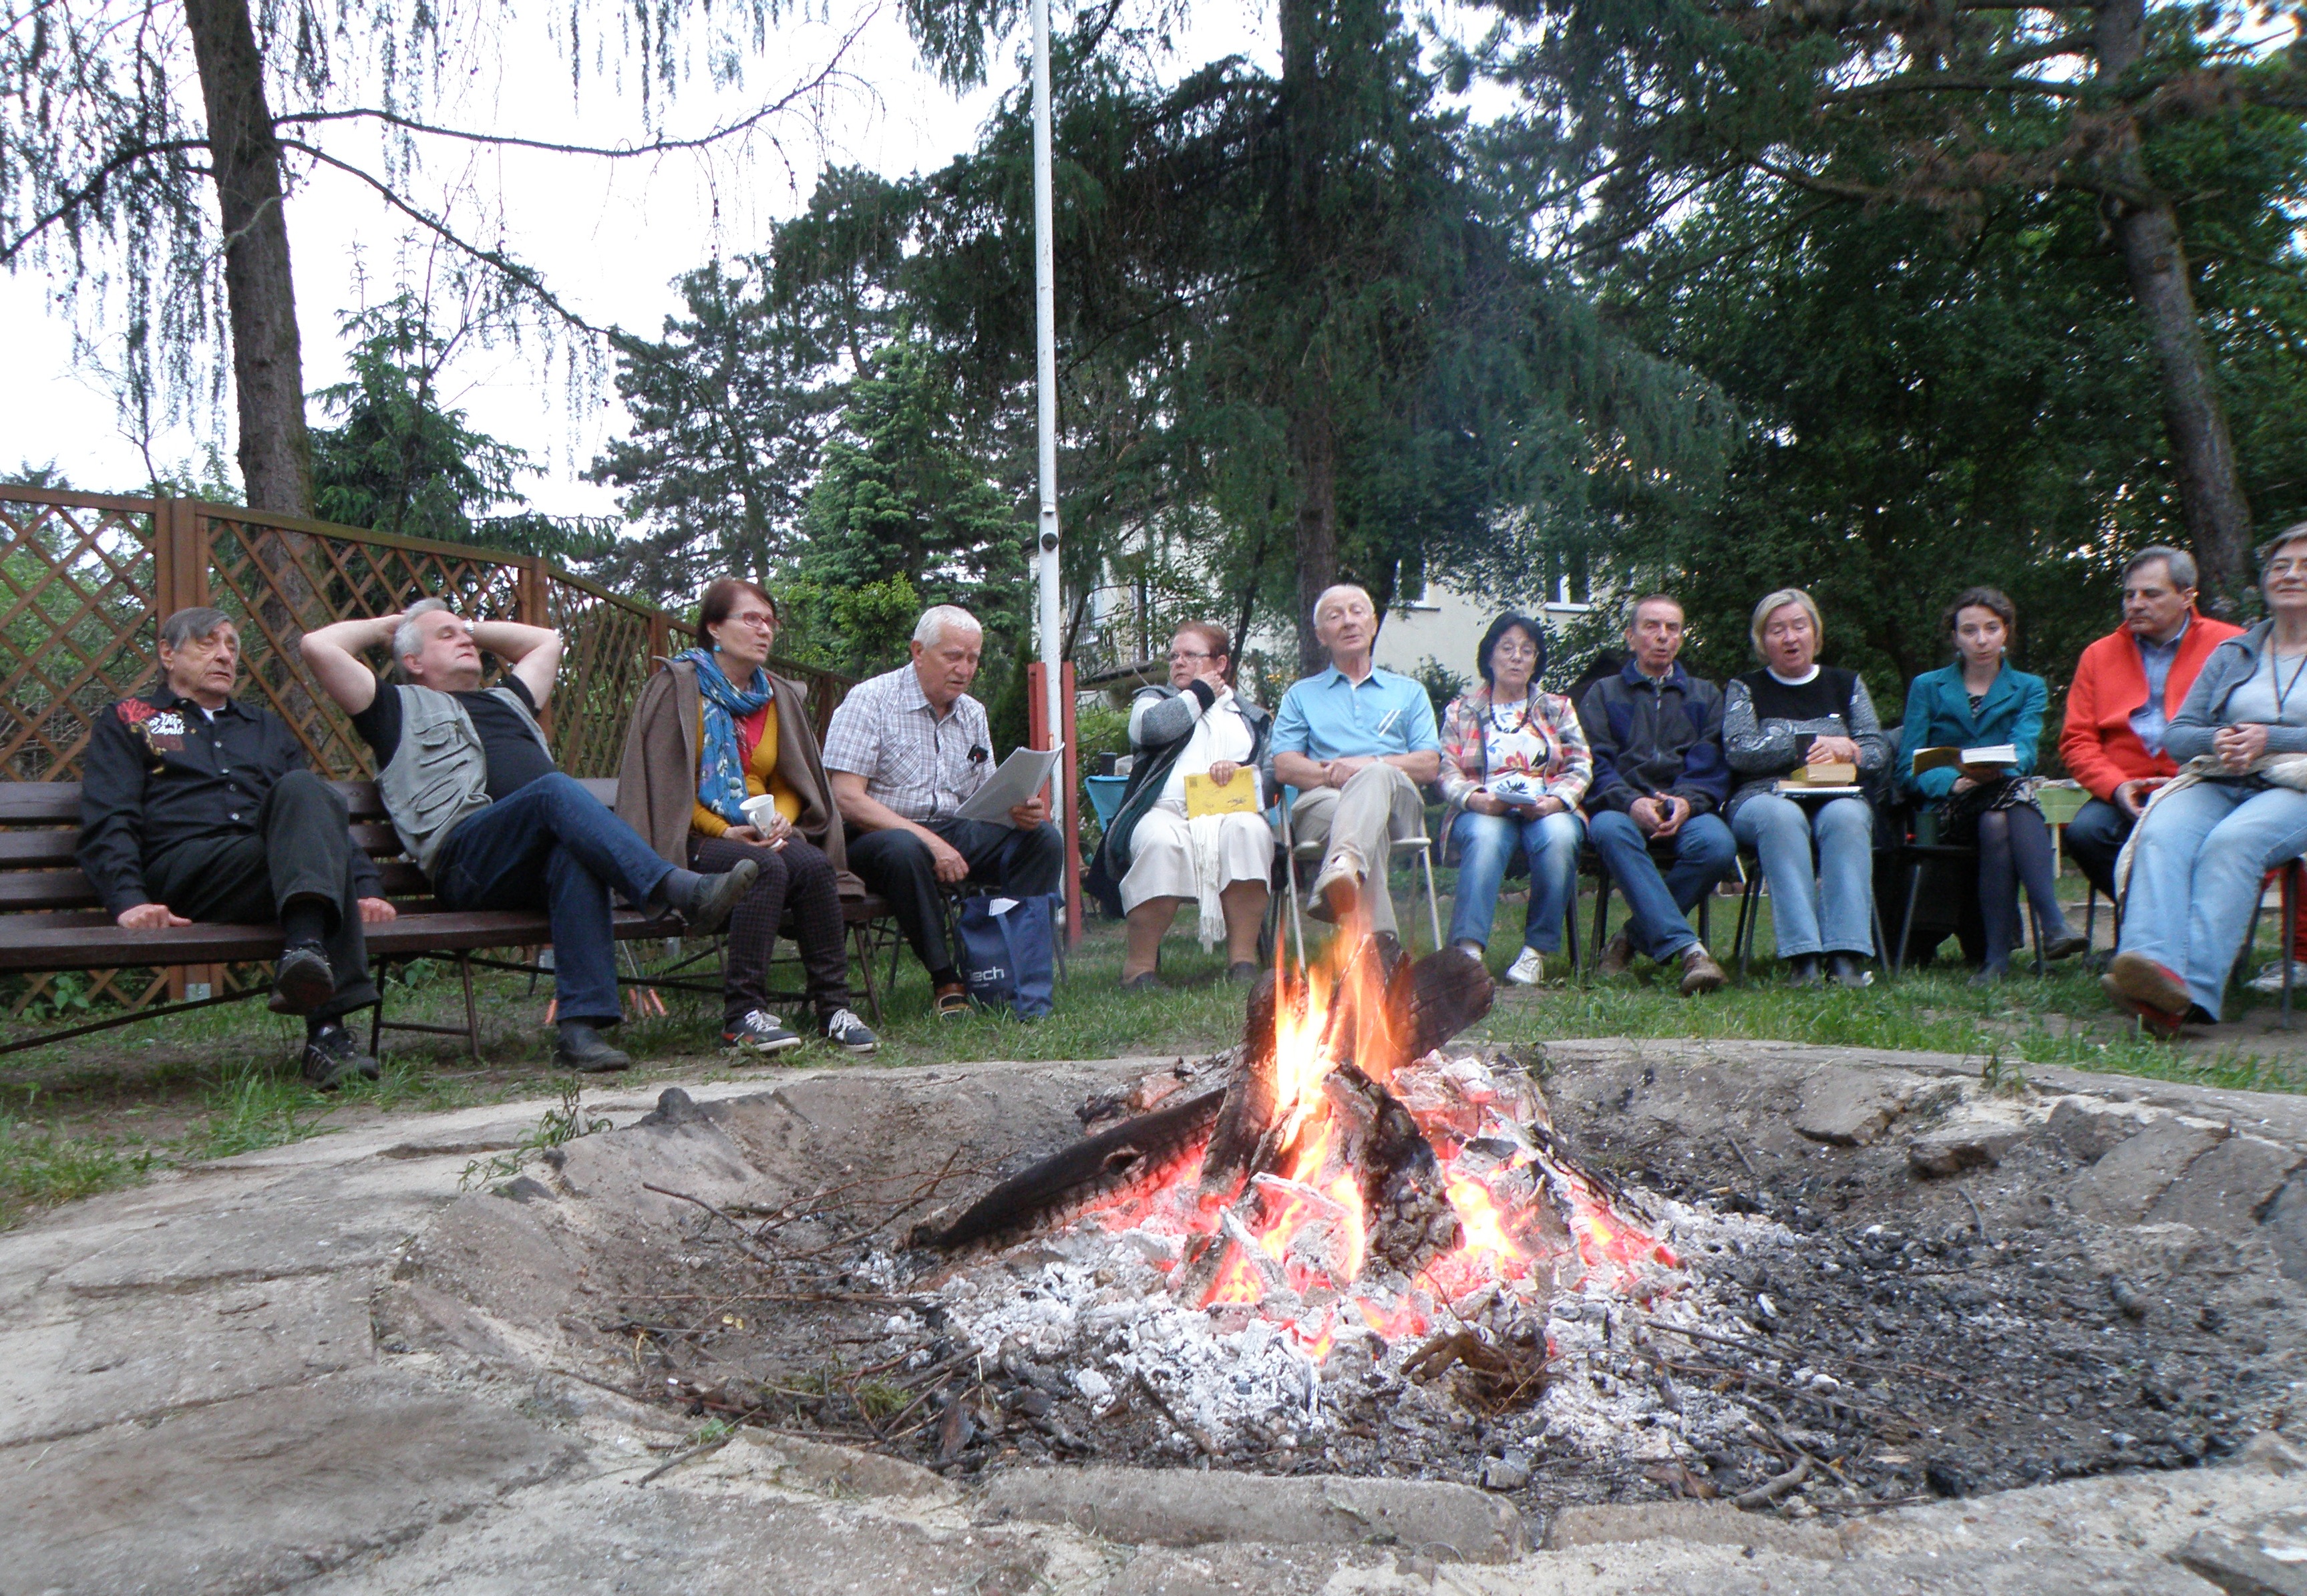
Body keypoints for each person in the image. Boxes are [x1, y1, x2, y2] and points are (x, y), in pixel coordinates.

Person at [301, 600, 760, 1072]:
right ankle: (675, 889)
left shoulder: (510, 700)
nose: (465, 640)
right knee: (552, 791)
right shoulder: (391, 707)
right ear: (413, 661)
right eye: (446, 636)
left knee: (574, 856)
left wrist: (464, 626)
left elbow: (547, 641)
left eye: (466, 634)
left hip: (530, 861)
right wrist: (390, 626)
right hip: (466, 862)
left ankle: (579, 1031)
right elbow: (317, 646)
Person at [79, 607, 394, 1090]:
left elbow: (317, 821)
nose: (225, 655)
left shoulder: (264, 727)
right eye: (208, 643)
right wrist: (128, 900)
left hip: (273, 869)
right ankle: (325, 1020)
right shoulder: (131, 719)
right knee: (313, 859)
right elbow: (110, 816)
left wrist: (367, 886)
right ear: (168, 653)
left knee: (304, 789)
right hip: (184, 871)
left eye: (232, 646)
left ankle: (309, 970)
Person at [616, 579, 880, 1057]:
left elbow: (792, 780)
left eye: (770, 622)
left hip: (759, 831)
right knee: (761, 868)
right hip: (689, 836)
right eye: (752, 619)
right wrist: (724, 829)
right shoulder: (676, 688)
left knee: (815, 867)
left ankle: (834, 1009)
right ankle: (743, 1016)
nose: (765, 631)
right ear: (715, 628)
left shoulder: (776, 695)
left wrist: (782, 819)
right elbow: (667, 789)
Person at [2105, 524, 2307, 1034]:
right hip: (2221, 777)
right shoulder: (2235, 652)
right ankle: (2150, 974)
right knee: (2160, 831)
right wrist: (2218, 739)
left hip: (2297, 785)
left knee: (2232, 843)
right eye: (2281, 565)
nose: (2291, 575)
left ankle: (2189, 993)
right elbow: (2179, 735)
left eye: (2305, 567)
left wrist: (2271, 738)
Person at [822, 606, 1062, 1018]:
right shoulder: (870, 700)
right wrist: (931, 842)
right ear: (918, 651)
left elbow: (985, 797)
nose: (964, 669)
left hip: (954, 829)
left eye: (973, 659)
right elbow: (846, 798)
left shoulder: (972, 713)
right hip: (874, 836)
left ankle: (1011, 962)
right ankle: (946, 980)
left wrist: (1017, 810)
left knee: (1041, 840)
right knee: (905, 849)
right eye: (953, 656)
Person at [2059, 546, 2254, 939]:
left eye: (2151, 594)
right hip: (2126, 786)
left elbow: (2249, 723)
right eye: (2129, 595)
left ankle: (2161, 940)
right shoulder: (2098, 655)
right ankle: (2162, 934)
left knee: (2209, 838)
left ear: (2187, 596)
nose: (2136, 604)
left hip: (2202, 782)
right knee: (2084, 833)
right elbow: (2077, 741)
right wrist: (2116, 787)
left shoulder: (2231, 645)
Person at [1896, 586, 2088, 982]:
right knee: (2012, 802)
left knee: (1997, 819)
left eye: (1991, 628)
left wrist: (1995, 771)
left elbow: (2026, 752)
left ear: (2006, 632)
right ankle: (2052, 923)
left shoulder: (2030, 687)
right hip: (1949, 808)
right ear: (1955, 637)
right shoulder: (1927, 686)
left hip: (2001, 793)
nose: (1981, 640)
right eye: (1969, 631)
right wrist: (1953, 781)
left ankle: (1995, 962)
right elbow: (1907, 767)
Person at [1086, 622, 1275, 990]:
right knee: (1161, 843)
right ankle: (1139, 970)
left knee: (1250, 832)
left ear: (1220, 663)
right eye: (1174, 655)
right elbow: (1151, 730)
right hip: (1163, 813)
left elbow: (1271, 774)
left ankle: (1243, 963)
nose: (1178, 662)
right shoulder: (1154, 699)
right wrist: (1200, 694)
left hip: (1231, 813)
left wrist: (1242, 772)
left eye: (1190, 655)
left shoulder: (1250, 717)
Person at [1722, 588, 1888, 988]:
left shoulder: (1846, 684)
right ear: (1762, 640)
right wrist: (1812, 741)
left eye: (1799, 626)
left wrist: (1850, 750)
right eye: (1777, 630)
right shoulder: (1745, 687)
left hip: (1835, 795)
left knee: (1848, 818)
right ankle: (1804, 959)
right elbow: (1739, 750)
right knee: (1781, 817)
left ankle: (1846, 957)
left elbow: (1877, 750)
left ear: (1816, 632)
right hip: (1763, 798)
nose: (1790, 638)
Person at [1578, 594, 1735, 994]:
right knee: (1608, 830)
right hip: (1620, 807)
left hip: (1685, 809)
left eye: (1672, 628)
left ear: (1680, 639)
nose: (1663, 636)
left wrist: (1685, 802)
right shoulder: (1603, 694)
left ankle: (1628, 940)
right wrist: (1631, 802)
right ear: (1630, 637)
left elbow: (1712, 764)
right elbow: (1594, 764)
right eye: (1651, 626)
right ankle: (1690, 951)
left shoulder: (1705, 696)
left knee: (1717, 844)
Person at [1269, 584, 1443, 940]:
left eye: (1357, 611)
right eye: (1335, 616)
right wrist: (1337, 776)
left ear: (1374, 624)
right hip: (1324, 802)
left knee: (1377, 776)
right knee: (1364, 822)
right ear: (1321, 635)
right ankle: (1378, 943)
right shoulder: (1301, 695)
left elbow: (1428, 764)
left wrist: (1366, 767)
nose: (1348, 622)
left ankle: (1343, 865)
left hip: (1398, 805)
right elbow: (1285, 765)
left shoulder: (1409, 692)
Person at [1436, 612, 1590, 986]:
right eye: (1507, 648)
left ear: (1536, 661)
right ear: (1490, 656)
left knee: (1560, 836)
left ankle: (1535, 952)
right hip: (1485, 807)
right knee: (1486, 837)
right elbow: (1447, 771)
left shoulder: (1557, 708)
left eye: (1527, 650)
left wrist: (1556, 801)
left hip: (1545, 807)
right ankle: (1468, 953)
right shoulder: (1461, 710)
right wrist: (1476, 799)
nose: (1517, 657)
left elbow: (1580, 764)